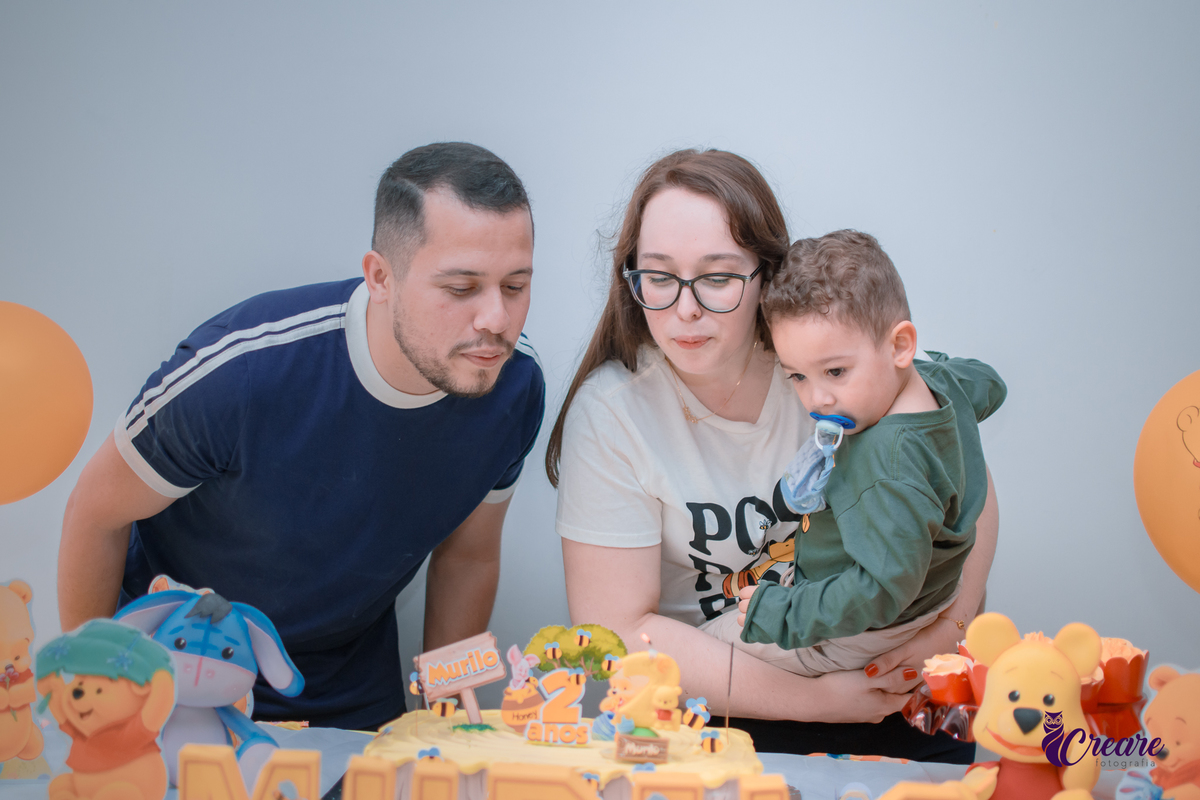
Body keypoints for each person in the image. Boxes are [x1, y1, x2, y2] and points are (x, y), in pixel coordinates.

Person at [57, 142, 546, 730]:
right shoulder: (243, 371)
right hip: (179, 679)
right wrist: (93, 697)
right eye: (462, 288)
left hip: (349, 693)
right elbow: (95, 513)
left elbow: (467, 558)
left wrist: (444, 726)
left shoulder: (513, 386)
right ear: (381, 277)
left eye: (515, 287)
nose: (495, 319)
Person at [548, 149, 998, 761]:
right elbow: (619, 633)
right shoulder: (612, 413)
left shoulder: (825, 360)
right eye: (659, 276)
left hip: (905, 678)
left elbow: (964, 488)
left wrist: (952, 625)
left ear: (766, 273)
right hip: (727, 707)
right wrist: (821, 701)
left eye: (717, 277)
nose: (685, 309)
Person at [719, 230, 1006, 676]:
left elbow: (880, 588)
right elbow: (990, 384)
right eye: (797, 377)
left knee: (696, 654)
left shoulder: (885, 463)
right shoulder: (940, 382)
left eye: (835, 371)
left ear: (900, 346)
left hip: (864, 629)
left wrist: (781, 611)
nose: (817, 399)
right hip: (932, 593)